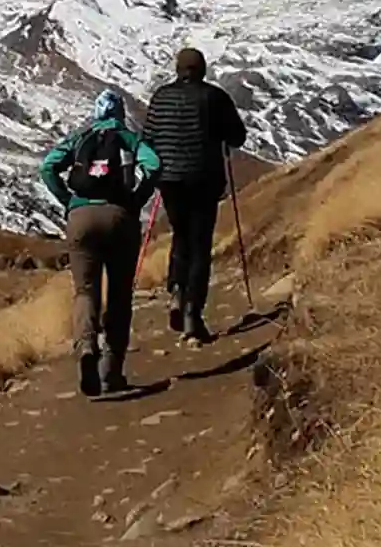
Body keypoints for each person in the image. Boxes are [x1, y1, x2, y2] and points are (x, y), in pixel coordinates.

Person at [39, 89, 161, 397]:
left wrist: (69, 201)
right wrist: (137, 200)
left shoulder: (81, 137)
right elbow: (154, 165)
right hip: (120, 217)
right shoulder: (127, 137)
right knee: (119, 293)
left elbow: (47, 167)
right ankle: (111, 369)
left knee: (85, 291)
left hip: (81, 218)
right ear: (120, 112)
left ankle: (86, 348)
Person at [142, 47, 248, 344]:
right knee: (200, 245)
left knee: (180, 235)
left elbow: (148, 139)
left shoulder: (160, 97)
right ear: (202, 70)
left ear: (178, 69)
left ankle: (176, 291)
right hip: (204, 179)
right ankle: (192, 314)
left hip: (170, 181)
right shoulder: (214, 97)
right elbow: (237, 136)